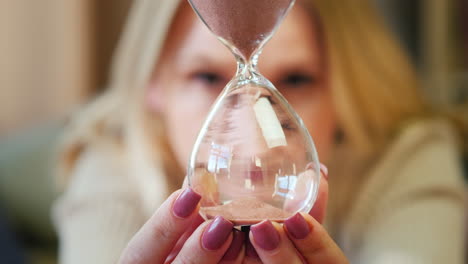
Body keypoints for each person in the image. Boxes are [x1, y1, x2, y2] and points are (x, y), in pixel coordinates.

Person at [52, 0, 466, 263]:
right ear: (153, 85)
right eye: (206, 76)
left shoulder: (406, 156)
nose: (253, 143)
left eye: (299, 79)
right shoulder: (117, 159)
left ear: (347, 88)